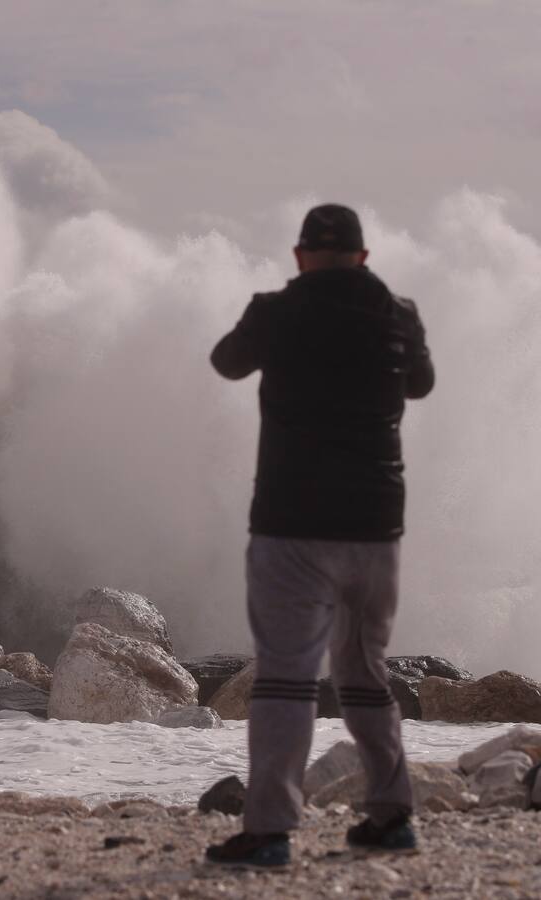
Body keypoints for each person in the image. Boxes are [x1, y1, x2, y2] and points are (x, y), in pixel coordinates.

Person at [205, 203, 435, 868]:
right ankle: (393, 816)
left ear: (301, 255)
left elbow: (225, 362)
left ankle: (271, 830)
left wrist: (275, 321)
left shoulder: (275, 311)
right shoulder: (399, 313)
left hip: (293, 524)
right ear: (364, 257)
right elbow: (421, 383)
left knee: (286, 677)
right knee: (365, 673)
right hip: (376, 526)